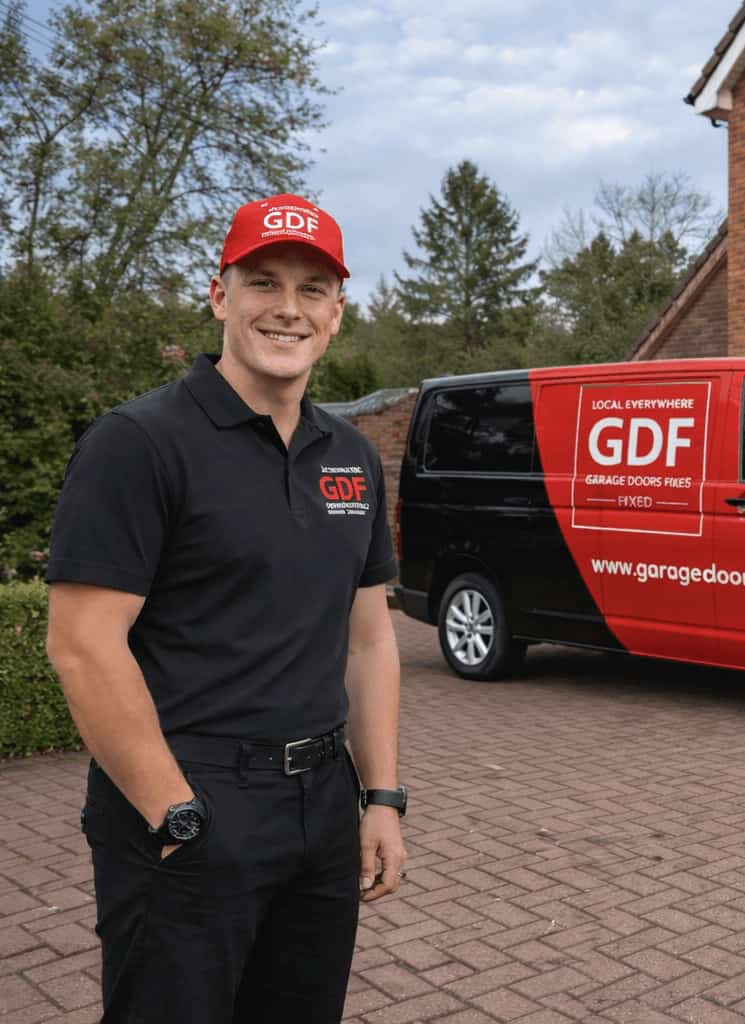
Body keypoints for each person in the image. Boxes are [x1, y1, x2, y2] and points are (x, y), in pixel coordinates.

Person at [45, 193, 407, 1023]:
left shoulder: (351, 456)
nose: (288, 308)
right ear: (220, 296)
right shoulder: (138, 443)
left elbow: (369, 642)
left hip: (323, 806)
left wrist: (381, 798)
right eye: (263, 282)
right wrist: (174, 814)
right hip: (190, 800)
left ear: (337, 312)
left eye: (313, 289)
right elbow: (84, 645)